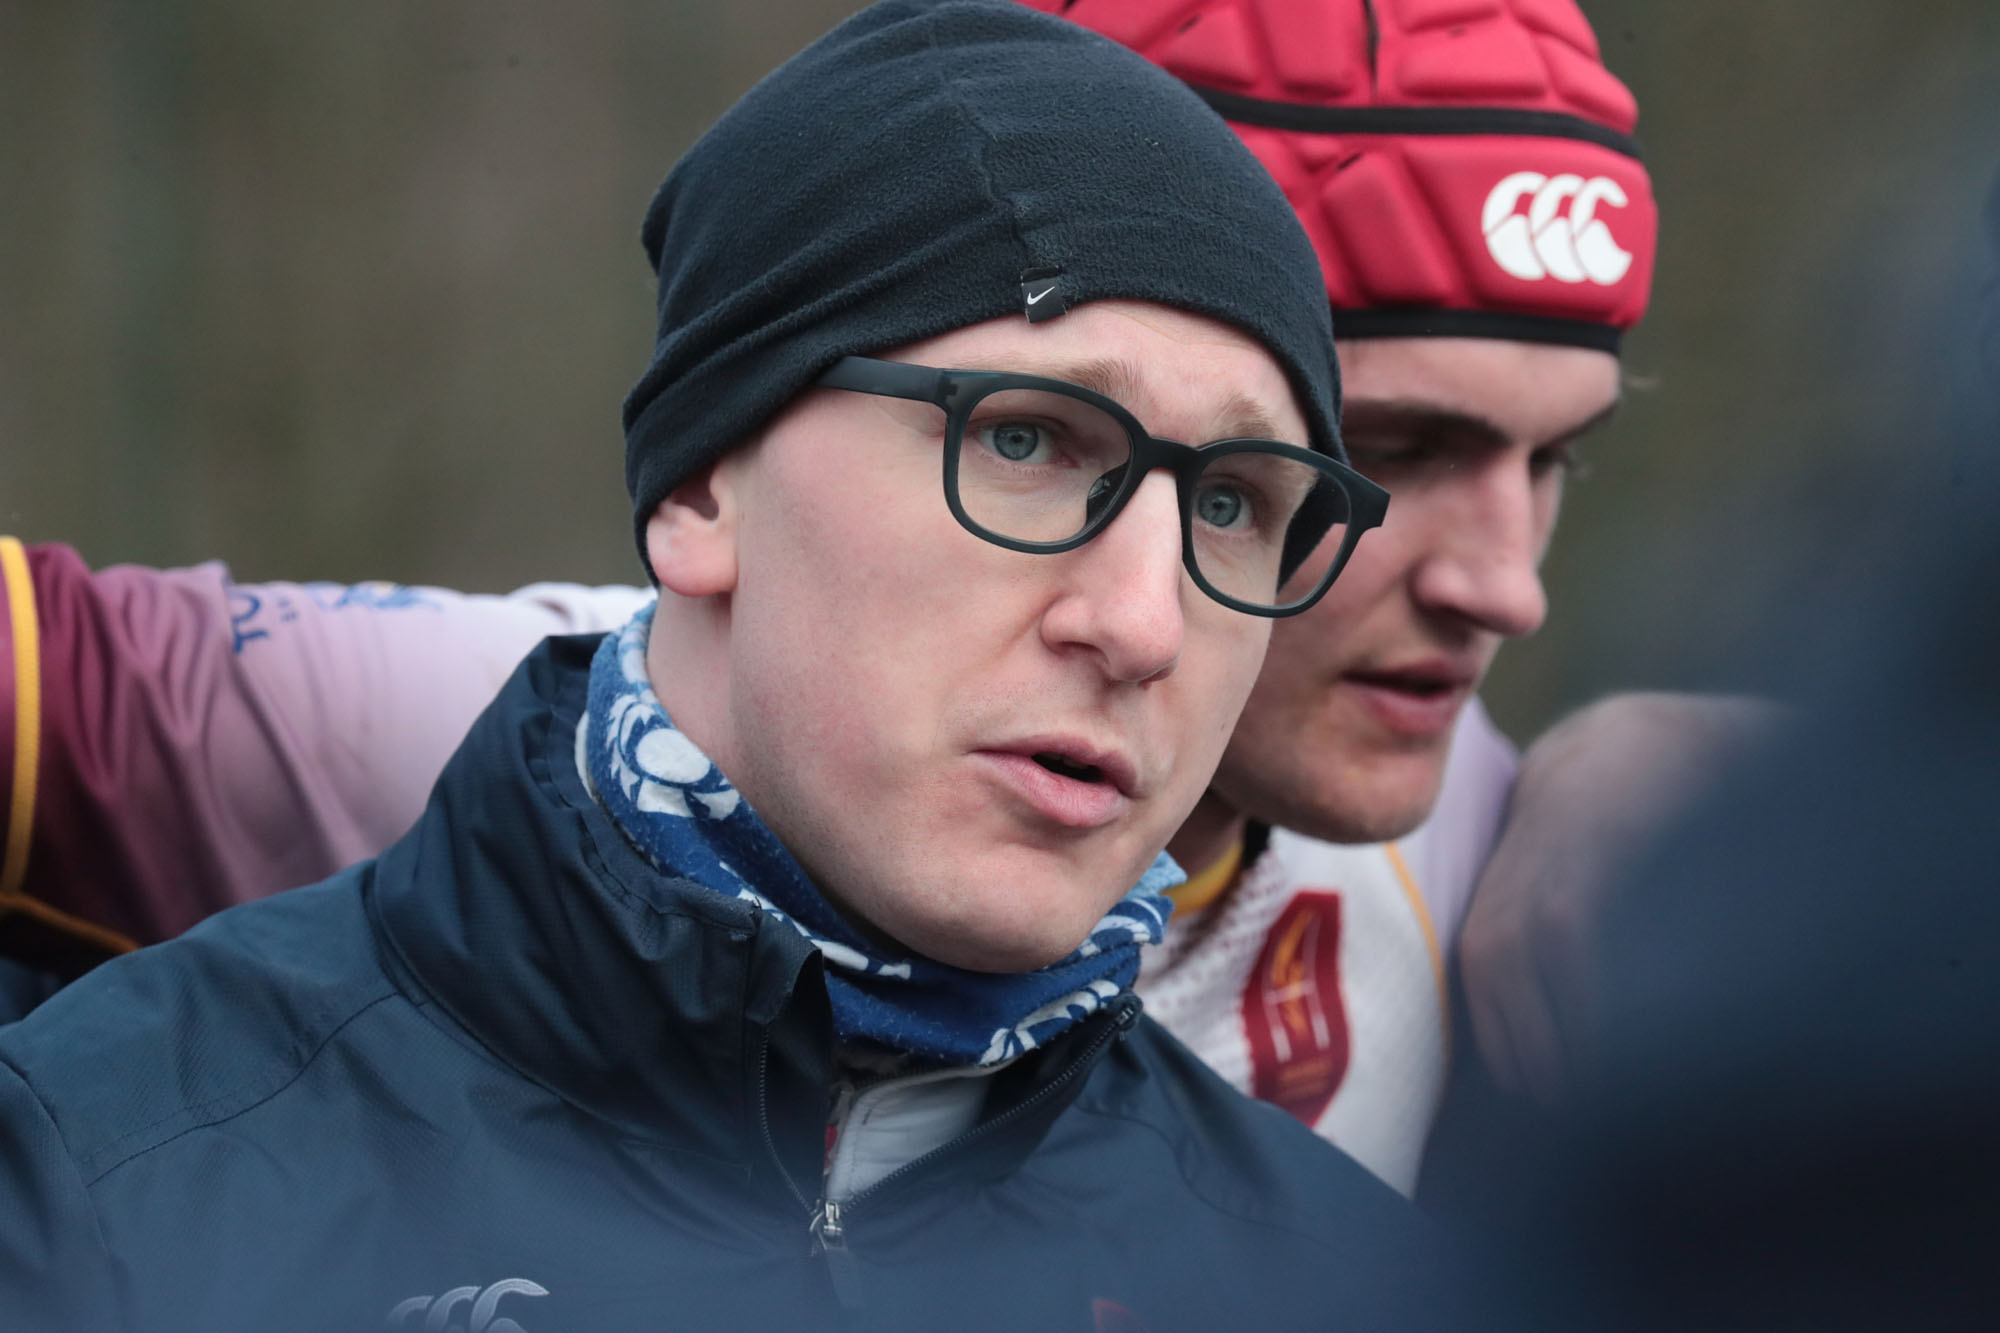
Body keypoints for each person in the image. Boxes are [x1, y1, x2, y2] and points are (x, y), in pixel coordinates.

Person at [0, 0, 1686, 1195]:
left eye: (1556, 462)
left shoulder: (1516, 857)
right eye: (1395, 448)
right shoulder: (525, 732)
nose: (1503, 585)